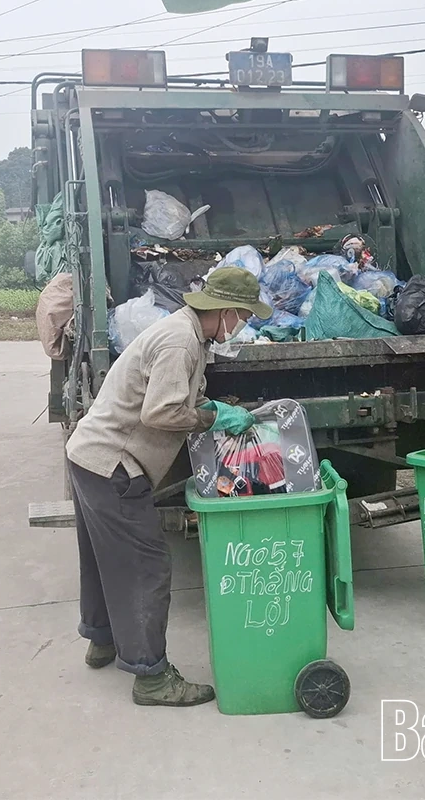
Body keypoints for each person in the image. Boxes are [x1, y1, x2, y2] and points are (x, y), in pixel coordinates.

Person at [65, 266, 273, 705]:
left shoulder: (189, 335)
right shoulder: (180, 342)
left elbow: (177, 398)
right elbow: (159, 413)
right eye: (245, 317)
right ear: (227, 311)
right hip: (113, 464)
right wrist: (213, 416)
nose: (244, 326)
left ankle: (103, 639)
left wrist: (209, 405)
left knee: (105, 557)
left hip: (88, 456)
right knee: (146, 565)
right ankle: (151, 676)